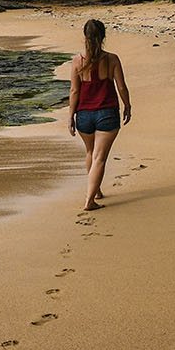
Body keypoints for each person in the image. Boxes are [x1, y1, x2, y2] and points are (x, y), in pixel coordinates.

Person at [68, 18, 131, 211]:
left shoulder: (78, 61)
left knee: (91, 153)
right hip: (107, 113)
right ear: (103, 36)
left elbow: (74, 91)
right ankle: (89, 201)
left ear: (85, 37)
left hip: (84, 115)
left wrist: (71, 116)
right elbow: (121, 86)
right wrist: (127, 106)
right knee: (100, 157)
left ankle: (96, 192)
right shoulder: (112, 59)